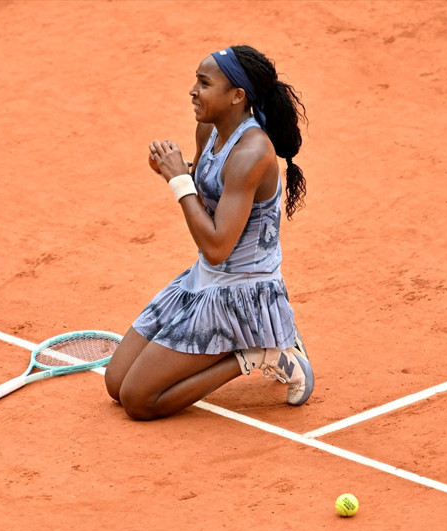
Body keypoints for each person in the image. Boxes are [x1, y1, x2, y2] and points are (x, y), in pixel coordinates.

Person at [104, 45, 312, 420]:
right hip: (203, 280)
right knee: (115, 383)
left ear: (237, 96)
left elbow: (216, 246)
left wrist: (179, 180)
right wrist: (175, 172)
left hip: (241, 293)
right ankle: (264, 345)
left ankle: (263, 353)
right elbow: (206, 194)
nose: (193, 91)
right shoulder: (209, 129)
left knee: (138, 400)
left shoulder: (251, 153)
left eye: (204, 83)